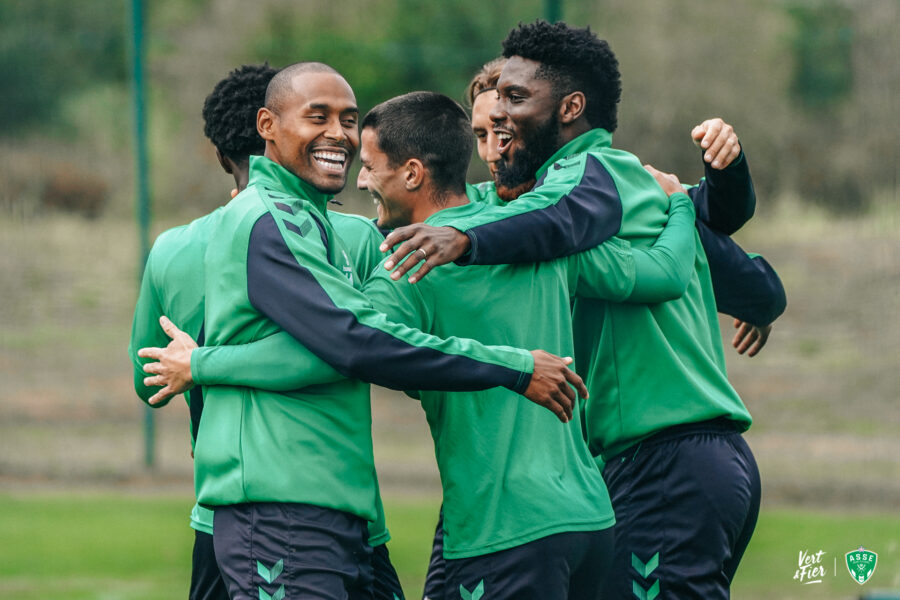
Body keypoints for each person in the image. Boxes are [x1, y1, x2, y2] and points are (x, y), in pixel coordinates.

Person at [139, 61, 594, 600]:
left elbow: (348, 340)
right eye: (318, 116)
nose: (339, 134)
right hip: (277, 506)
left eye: (349, 119)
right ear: (267, 126)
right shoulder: (270, 221)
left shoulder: (332, 229)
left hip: (338, 510)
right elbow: (353, 340)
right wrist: (513, 367)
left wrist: (203, 365)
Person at [381, 21, 767, 599]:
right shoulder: (536, 202)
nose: (496, 144)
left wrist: (464, 242)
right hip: (639, 469)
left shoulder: (599, 180)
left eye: (512, 107)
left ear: (568, 109)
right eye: (481, 133)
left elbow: (563, 223)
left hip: (668, 460)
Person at [357, 91, 701, 600]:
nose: (360, 180)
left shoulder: (411, 262)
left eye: (368, 167)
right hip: (588, 519)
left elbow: (359, 345)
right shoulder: (540, 233)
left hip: (505, 529)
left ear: (411, 174)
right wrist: (680, 207)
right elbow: (666, 275)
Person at [128, 63, 277, 600]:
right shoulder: (342, 236)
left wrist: (197, 361)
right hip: (331, 509)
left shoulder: (173, 248)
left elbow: (148, 385)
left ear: (219, 156)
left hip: (218, 516)